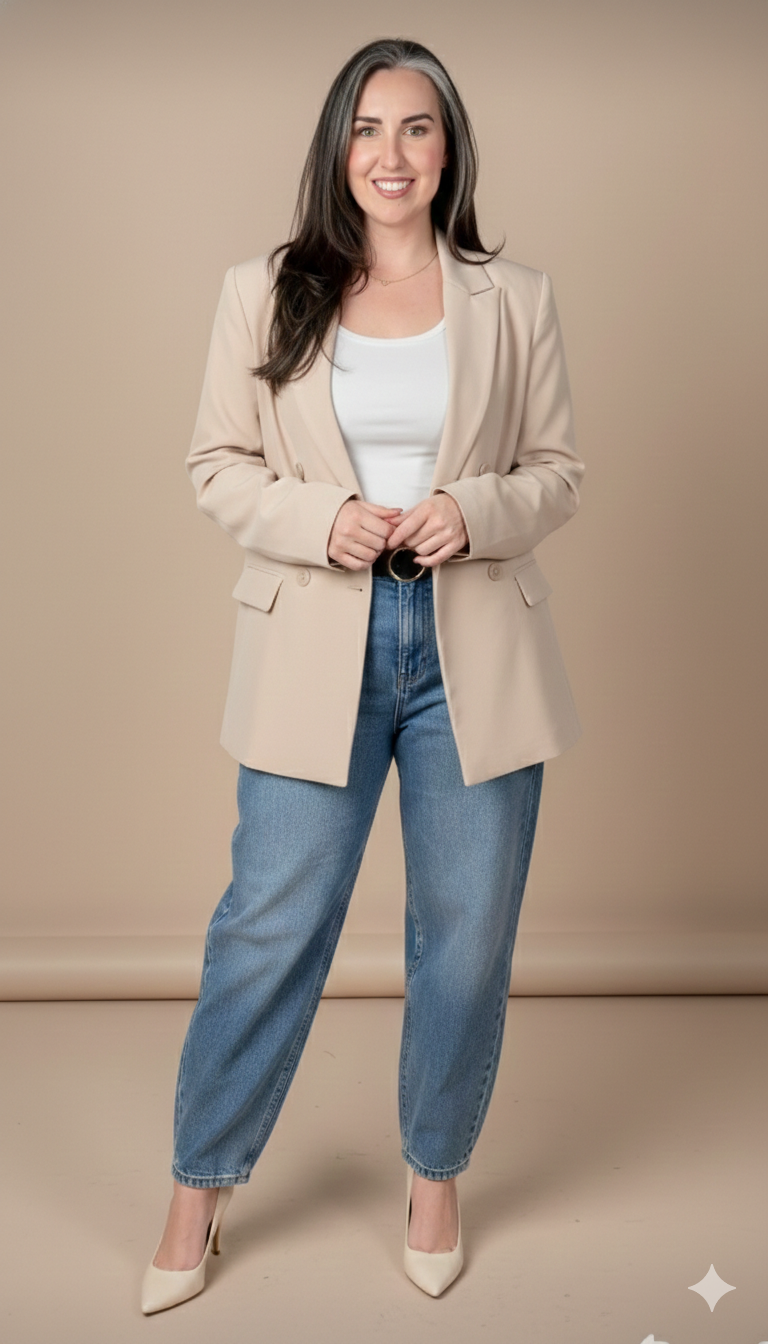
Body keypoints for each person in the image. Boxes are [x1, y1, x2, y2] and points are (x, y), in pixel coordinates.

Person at [141, 37, 583, 1314]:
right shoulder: (262, 290)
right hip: (315, 642)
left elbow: (558, 470)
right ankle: (196, 1188)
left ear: (450, 153)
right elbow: (217, 462)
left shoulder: (517, 297)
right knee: (269, 924)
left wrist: (474, 509)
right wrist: (316, 520)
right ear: (339, 149)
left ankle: (434, 1174)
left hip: (473, 649)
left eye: (418, 130)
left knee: (466, 938)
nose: (393, 155)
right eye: (369, 130)